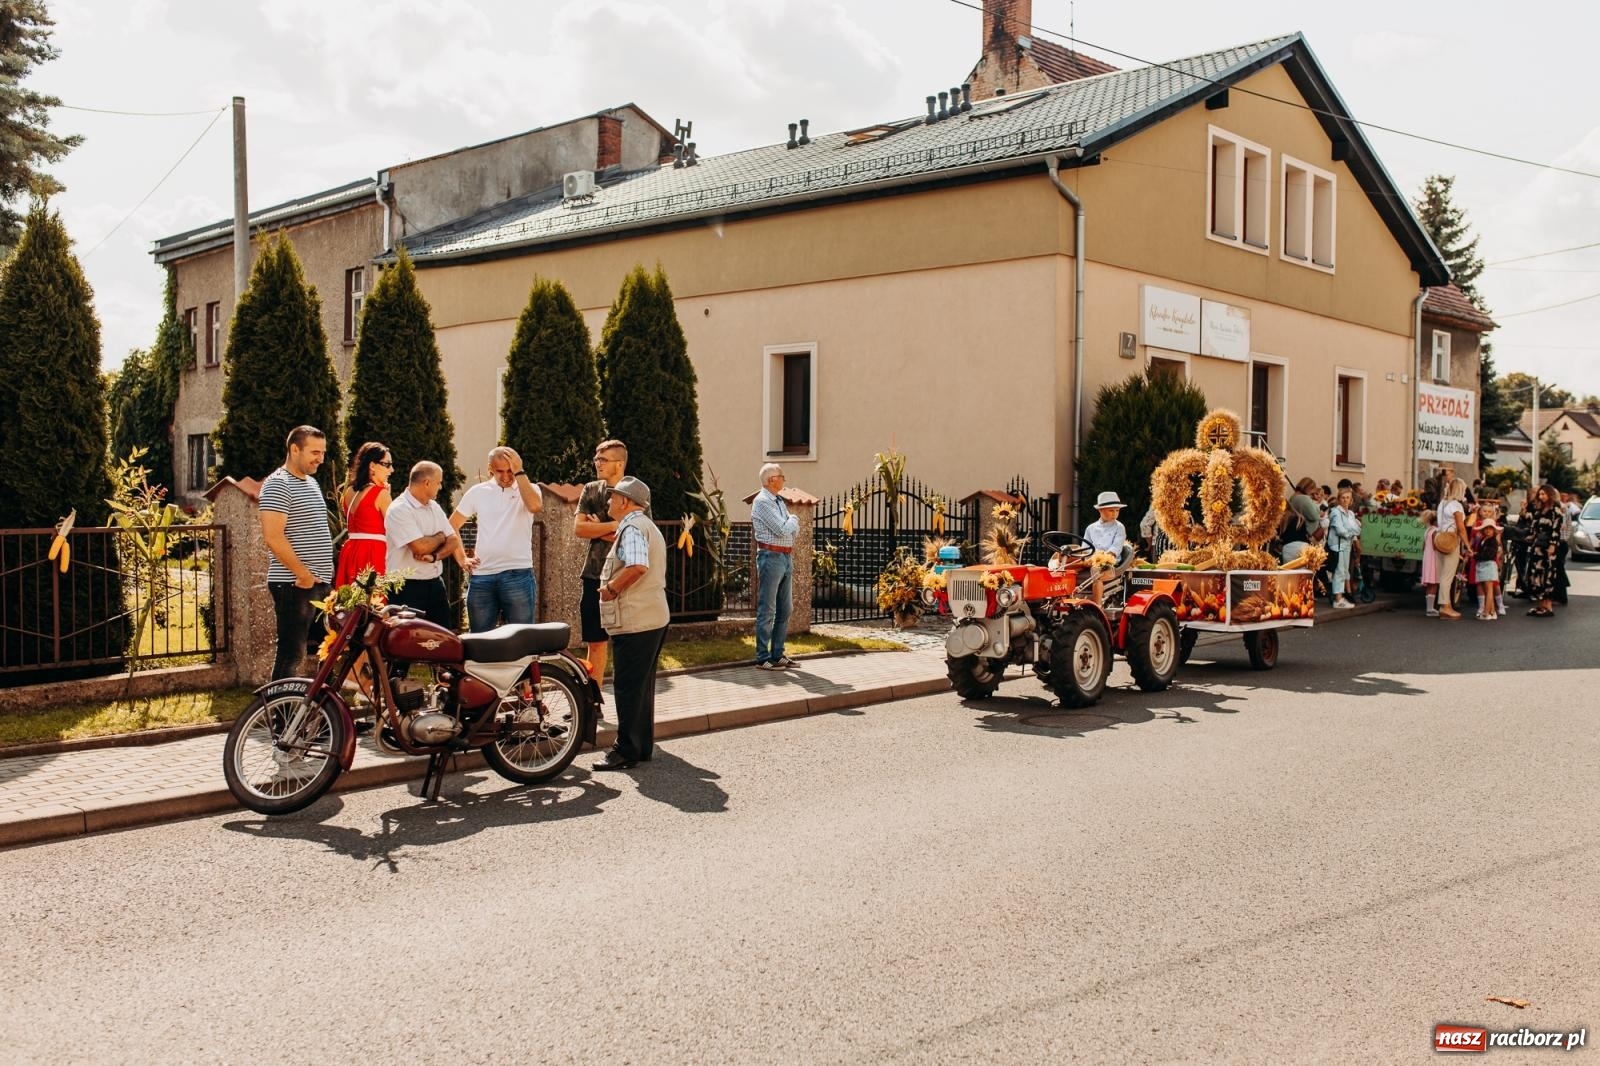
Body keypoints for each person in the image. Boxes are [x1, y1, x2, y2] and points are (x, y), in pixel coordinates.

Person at [593, 477, 669, 771]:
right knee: (641, 687)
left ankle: (624, 750)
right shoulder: (646, 526)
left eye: (613, 497)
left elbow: (638, 566)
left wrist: (611, 588)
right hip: (653, 616)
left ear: (625, 501)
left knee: (626, 688)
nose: (609, 502)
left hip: (637, 620)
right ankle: (641, 746)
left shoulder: (632, 527)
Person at [259, 426, 336, 680]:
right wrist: (302, 574)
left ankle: (309, 712)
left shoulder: (311, 482)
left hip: (318, 584)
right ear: (294, 449)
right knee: (291, 655)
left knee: (322, 653)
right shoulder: (278, 484)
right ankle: (279, 717)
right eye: (315, 452)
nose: (321, 459)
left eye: (323, 452)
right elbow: (273, 535)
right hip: (294, 584)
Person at [451, 445, 542, 631]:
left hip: (517, 573)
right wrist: (461, 558)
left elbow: (534, 506)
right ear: (490, 468)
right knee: (479, 639)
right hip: (482, 576)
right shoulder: (478, 492)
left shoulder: (529, 489)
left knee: (522, 637)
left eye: (511, 470)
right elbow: (451, 525)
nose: (507, 476)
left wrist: (520, 472)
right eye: (500, 471)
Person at [386, 461, 470, 629]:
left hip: (434, 585)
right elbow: (419, 547)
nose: (440, 487)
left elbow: (453, 540)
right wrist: (439, 538)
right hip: (405, 587)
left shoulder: (434, 507)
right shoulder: (399, 509)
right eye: (438, 482)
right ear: (426, 483)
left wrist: (435, 556)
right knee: (408, 642)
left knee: (442, 638)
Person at [574, 439, 629, 680]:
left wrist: (598, 527)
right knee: (595, 642)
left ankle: (625, 697)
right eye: (596, 458)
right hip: (593, 575)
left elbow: (633, 531)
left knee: (624, 643)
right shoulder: (591, 489)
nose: (597, 463)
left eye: (603, 459)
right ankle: (591, 700)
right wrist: (613, 527)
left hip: (624, 576)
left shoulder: (634, 490)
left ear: (619, 464)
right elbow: (579, 529)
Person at [752, 462, 800, 670]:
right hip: (770, 556)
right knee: (768, 609)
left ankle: (778, 654)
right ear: (771, 480)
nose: (784, 479)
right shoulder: (762, 502)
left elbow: (792, 532)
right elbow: (783, 529)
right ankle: (763, 657)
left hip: (785, 557)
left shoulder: (778, 501)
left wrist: (791, 523)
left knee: (785, 608)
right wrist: (794, 519)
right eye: (781, 476)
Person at [334, 441, 393, 587]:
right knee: (373, 603)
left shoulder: (348, 492)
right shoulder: (381, 494)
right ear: (372, 466)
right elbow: (395, 528)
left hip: (351, 550)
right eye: (387, 464)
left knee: (350, 604)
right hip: (373, 552)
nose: (391, 470)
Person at [1521, 483, 1563, 618]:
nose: (1541, 496)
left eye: (1544, 494)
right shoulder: (1539, 511)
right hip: (1537, 547)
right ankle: (1540, 605)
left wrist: (1552, 545)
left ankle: (1548, 606)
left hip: (1548, 547)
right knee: (1536, 575)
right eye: (1540, 494)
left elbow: (1556, 530)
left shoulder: (1555, 511)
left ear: (1550, 495)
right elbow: (1533, 527)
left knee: (1548, 576)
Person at [1433, 477, 1470, 620]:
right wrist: (1467, 545)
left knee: (1443, 574)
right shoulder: (1456, 505)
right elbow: (1461, 528)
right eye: (1464, 490)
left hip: (1440, 539)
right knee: (1447, 576)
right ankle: (1445, 606)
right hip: (1450, 540)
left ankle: (1444, 605)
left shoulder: (1442, 503)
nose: (1465, 492)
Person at [1326, 487, 1361, 608]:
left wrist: (1351, 531)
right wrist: (1351, 532)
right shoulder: (1336, 512)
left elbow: (1358, 529)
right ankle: (1338, 599)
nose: (1345, 500)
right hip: (1338, 545)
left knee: (1345, 571)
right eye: (1343, 498)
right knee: (1339, 571)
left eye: (1348, 498)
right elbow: (1340, 530)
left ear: (1351, 500)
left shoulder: (1350, 513)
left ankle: (1341, 596)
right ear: (1338, 499)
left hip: (1347, 544)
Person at [1470, 503, 1502, 621]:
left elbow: (1489, 554)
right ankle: (1492, 611)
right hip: (1483, 564)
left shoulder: (1493, 541)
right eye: (1486, 529)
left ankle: (1486, 612)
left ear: (1494, 531)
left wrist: (1476, 555)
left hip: (1489, 565)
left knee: (1489, 590)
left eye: (1490, 529)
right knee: (1485, 588)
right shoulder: (1484, 540)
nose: (1488, 531)